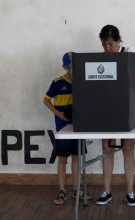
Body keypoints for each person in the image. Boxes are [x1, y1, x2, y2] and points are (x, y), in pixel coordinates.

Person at [95, 25, 135, 207]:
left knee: (128, 149)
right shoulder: (101, 59)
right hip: (107, 108)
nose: (107, 48)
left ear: (118, 42)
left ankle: (129, 192)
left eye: (110, 44)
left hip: (126, 108)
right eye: (104, 44)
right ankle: (106, 191)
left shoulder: (129, 53)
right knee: (107, 148)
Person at [43, 52, 91, 205]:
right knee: (62, 159)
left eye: (75, 67)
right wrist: (58, 113)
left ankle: (76, 189)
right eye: (70, 68)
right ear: (64, 67)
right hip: (62, 126)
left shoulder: (82, 81)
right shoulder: (57, 83)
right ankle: (62, 190)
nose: (73, 70)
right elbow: (46, 100)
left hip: (78, 126)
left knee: (77, 158)